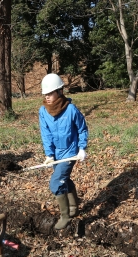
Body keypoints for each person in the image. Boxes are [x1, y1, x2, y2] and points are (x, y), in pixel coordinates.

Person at [39, 73, 88, 230]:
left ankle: (65, 216)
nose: (47, 97)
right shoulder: (43, 111)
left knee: (55, 183)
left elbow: (82, 129)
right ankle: (74, 207)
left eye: (50, 93)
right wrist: (49, 154)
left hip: (70, 152)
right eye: (45, 94)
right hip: (57, 154)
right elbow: (45, 134)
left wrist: (82, 148)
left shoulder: (71, 109)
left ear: (60, 91)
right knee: (64, 180)